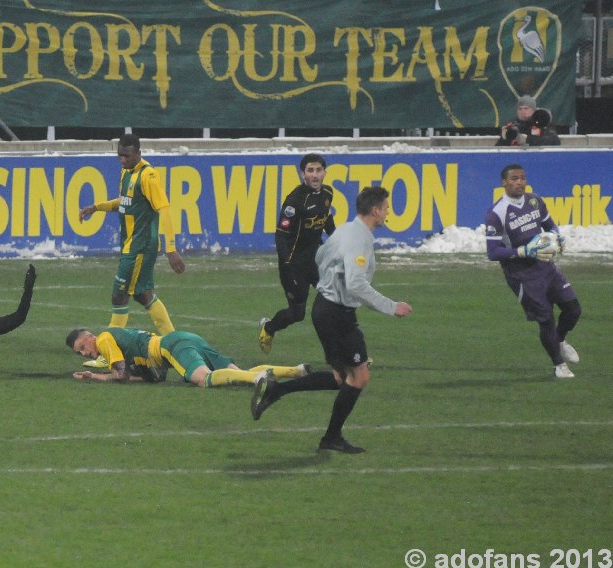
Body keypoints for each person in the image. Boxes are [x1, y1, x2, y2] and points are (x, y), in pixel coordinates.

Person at [250, 186, 413, 454]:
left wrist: (329, 281)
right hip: (338, 315)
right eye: (385, 208)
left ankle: (276, 391)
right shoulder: (359, 239)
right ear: (375, 210)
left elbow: (321, 256)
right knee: (359, 377)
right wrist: (391, 307)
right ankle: (331, 437)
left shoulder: (346, 229)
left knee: (341, 377)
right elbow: (356, 284)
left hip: (324, 309)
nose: (387, 212)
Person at [79, 133, 185, 369]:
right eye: (119, 155)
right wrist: (97, 207)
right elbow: (124, 202)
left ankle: (109, 351)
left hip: (140, 247)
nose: (122, 160)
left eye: (126, 156)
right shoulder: (127, 173)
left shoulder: (148, 176)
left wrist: (171, 248)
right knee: (143, 294)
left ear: (138, 152)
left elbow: (164, 209)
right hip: (132, 246)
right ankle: (175, 342)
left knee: (119, 295)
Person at [484, 164, 581, 378]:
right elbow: (492, 252)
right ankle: (559, 366)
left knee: (573, 309)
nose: (520, 182)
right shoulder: (496, 213)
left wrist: (558, 237)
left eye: (522, 178)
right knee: (545, 319)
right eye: (514, 178)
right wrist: (524, 250)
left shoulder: (535, 201)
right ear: (504, 182)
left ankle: (560, 339)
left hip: (546, 267)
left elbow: (550, 226)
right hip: (522, 276)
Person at [259, 153, 336, 354]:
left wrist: (336, 240)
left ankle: (349, 355)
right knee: (297, 313)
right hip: (294, 265)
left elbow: (326, 218)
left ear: (325, 173)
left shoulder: (327, 193)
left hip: (316, 261)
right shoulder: (294, 201)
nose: (315, 175)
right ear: (303, 174)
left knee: (336, 301)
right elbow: (281, 235)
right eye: (310, 170)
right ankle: (269, 327)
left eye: (318, 170)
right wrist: (286, 267)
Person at [67, 327, 310, 388]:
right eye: (80, 353)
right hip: (185, 339)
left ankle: (257, 378)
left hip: (173, 346)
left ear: (90, 336)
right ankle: (296, 371)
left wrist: (94, 376)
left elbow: (120, 374)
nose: (85, 352)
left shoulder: (105, 340)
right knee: (237, 373)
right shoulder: (120, 339)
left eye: (82, 346)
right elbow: (154, 377)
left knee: (203, 379)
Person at [495, 95, 560, 147]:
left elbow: (555, 141)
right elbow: (498, 151)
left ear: (534, 110)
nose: (522, 111)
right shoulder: (511, 126)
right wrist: (503, 139)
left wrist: (527, 139)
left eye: (526, 108)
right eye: (520, 109)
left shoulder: (542, 122)